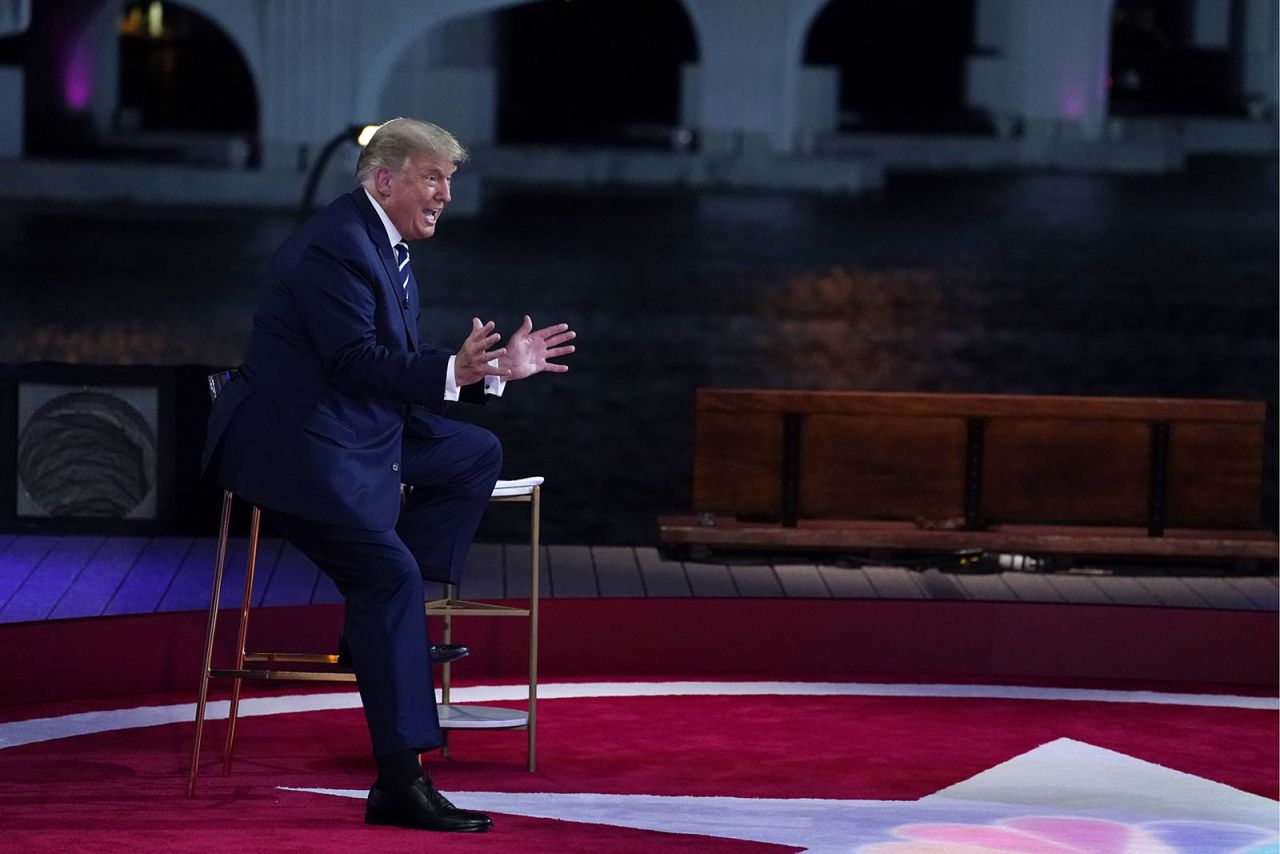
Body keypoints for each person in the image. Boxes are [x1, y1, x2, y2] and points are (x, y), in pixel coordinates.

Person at [202, 118, 575, 832]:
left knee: (473, 453)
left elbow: (386, 364)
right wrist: (453, 369)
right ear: (385, 179)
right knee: (388, 576)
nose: (446, 194)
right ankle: (399, 785)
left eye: (449, 181)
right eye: (433, 178)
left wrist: (486, 372)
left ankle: (382, 632)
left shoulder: (382, 242)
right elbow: (352, 363)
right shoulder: (337, 249)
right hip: (298, 445)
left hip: (355, 425)